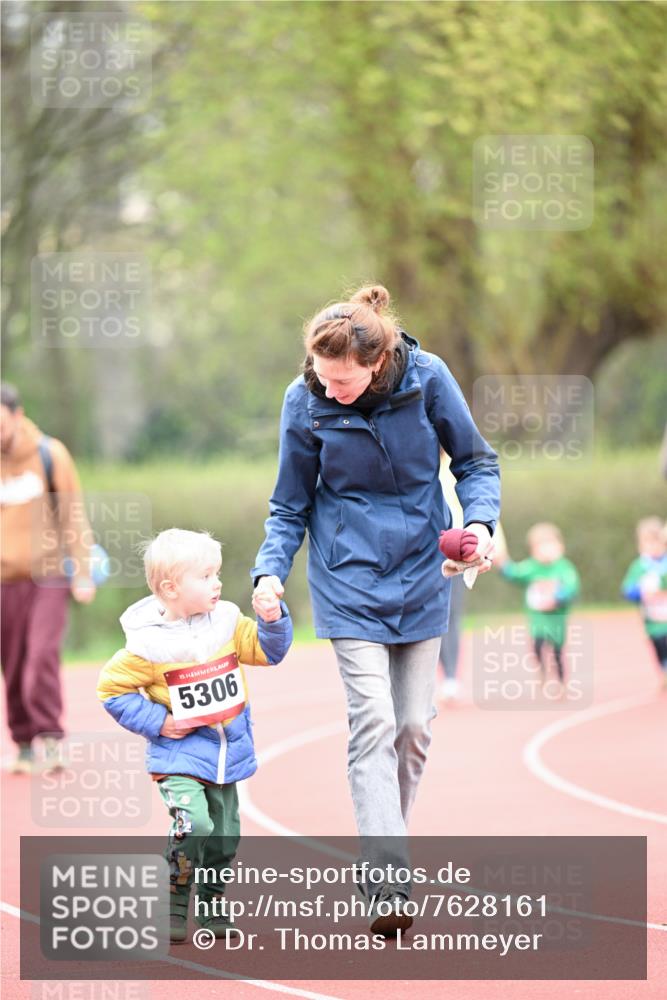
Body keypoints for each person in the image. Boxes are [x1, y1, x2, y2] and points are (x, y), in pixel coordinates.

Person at [250, 284, 500, 936]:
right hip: (346, 578)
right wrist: (269, 572)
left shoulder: (428, 377)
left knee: (413, 727)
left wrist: (481, 524)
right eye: (321, 376)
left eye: (341, 380)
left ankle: (384, 847)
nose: (328, 389)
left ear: (376, 360)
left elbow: (475, 461)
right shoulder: (303, 399)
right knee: (372, 721)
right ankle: (387, 877)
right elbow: (288, 503)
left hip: (424, 572)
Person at [96, 528, 293, 944]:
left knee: (224, 839)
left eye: (217, 573)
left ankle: (212, 903)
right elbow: (111, 690)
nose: (217, 582)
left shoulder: (227, 623)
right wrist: (159, 723)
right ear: (170, 588)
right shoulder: (146, 645)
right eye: (205, 576)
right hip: (179, 757)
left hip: (226, 755)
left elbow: (268, 651)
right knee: (195, 824)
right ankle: (174, 899)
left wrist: (272, 619)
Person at [0, 382, 97, 774]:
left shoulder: (49, 454)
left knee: (40, 656)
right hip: (5, 580)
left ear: (17, 416)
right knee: (12, 663)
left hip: (49, 575)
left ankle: (52, 739)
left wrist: (84, 572)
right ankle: (23, 743)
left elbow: (73, 514)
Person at [495, 522, 580, 688]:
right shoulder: (531, 567)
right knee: (538, 644)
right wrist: (502, 566)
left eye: (550, 546)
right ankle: (541, 669)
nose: (546, 551)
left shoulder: (564, 568)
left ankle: (561, 681)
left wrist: (559, 597)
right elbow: (515, 573)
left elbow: (572, 587)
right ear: (533, 550)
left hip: (557, 619)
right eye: (541, 547)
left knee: (557, 652)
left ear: (560, 547)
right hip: (538, 619)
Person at [621, 516, 667, 688]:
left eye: (656, 543)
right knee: (658, 644)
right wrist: (638, 591)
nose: (653, 547)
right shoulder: (639, 567)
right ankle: (663, 670)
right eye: (648, 543)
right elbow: (627, 590)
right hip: (653, 619)